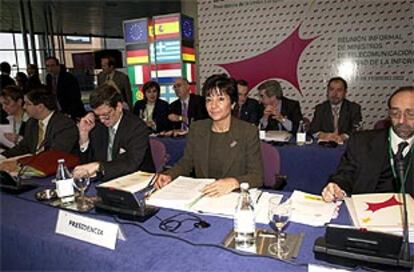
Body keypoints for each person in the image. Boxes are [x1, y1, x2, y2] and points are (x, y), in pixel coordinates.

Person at [156, 74, 263, 197]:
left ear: (233, 103)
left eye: (221, 99)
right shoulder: (197, 128)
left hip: (234, 196)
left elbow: (257, 176)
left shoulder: (247, 132)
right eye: (209, 99)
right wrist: (169, 174)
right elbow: (186, 163)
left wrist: (234, 182)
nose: (213, 105)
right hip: (204, 196)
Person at [322, 86, 414, 202]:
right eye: (395, 113)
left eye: (410, 114)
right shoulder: (361, 142)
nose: (401, 121)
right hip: (368, 213)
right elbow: (345, 175)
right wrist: (338, 188)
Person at [74, 84, 154, 181]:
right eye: (98, 116)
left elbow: (131, 164)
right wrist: (84, 135)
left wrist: (100, 166)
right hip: (104, 182)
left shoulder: (137, 127)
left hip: (135, 181)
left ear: (119, 107)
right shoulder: (97, 126)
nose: (102, 120)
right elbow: (87, 164)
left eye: (106, 115)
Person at [0, 87, 79, 159]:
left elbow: (55, 154)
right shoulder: (32, 122)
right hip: (35, 165)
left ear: (40, 107)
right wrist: (2, 156)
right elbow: (23, 147)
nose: (24, 107)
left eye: (28, 104)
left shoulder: (64, 125)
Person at [309, 77, 362, 143]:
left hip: (347, 147)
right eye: (331, 89)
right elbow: (313, 130)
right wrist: (324, 135)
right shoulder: (320, 108)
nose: (334, 93)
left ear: (345, 92)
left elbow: (356, 129)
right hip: (325, 146)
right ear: (327, 91)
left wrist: (343, 136)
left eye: (339, 90)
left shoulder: (354, 108)